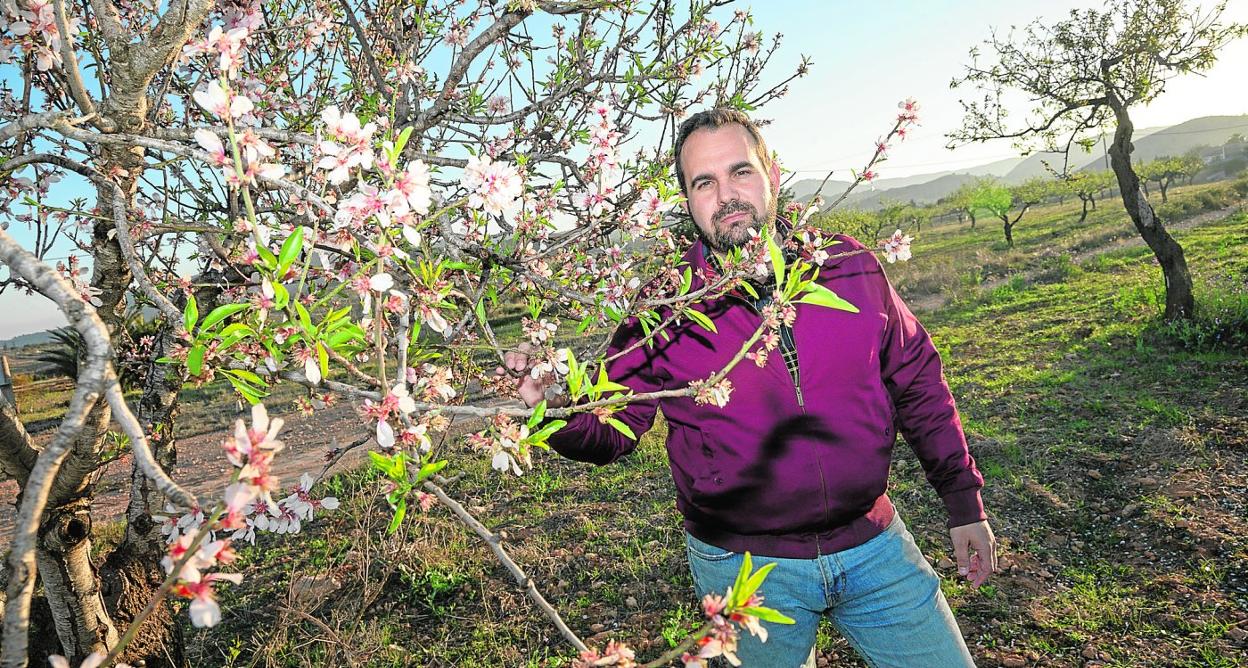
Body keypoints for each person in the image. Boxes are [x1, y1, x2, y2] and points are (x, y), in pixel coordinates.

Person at [498, 108, 996, 667]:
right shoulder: (666, 306)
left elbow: (918, 383)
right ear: (688, 202)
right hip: (742, 568)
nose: (727, 195)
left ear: (772, 176)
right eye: (704, 183)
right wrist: (555, 410)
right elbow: (613, 430)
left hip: (872, 545)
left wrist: (963, 502)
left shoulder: (849, 265)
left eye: (740, 172)